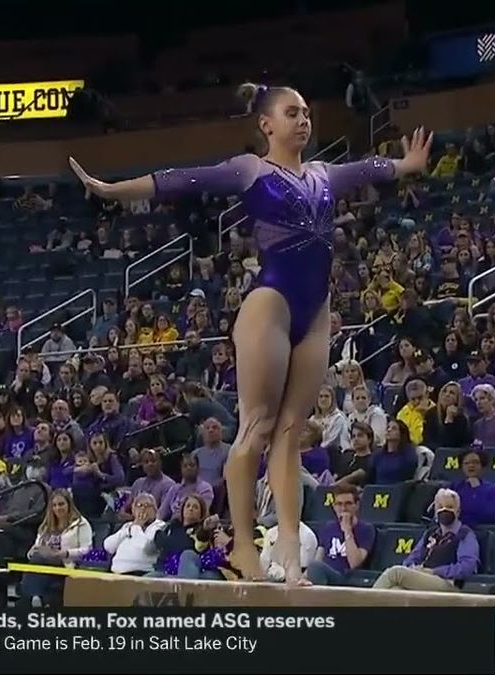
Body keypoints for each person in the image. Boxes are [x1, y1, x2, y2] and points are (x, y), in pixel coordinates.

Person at [70, 82, 432, 583]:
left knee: (290, 434)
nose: (303, 120)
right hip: (271, 304)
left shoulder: (325, 173)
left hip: (316, 309)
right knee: (257, 429)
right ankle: (243, 544)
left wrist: (408, 165)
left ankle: (287, 543)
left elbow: (372, 167)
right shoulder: (251, 170)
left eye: (307, 112)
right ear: (266, 124)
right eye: (291, 113)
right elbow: (182, 181)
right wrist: (112, 190)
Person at [372, 488, 478, 592]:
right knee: (395, 590)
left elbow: (466, 567)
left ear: (458, 511)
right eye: (440, 507)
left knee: (396, 573)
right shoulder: (430, 533)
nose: (445, 510)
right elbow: (412, 558)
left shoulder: (465, 534)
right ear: (435, 511)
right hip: (423, 577)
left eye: (450, 507)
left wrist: (434, 571)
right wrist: (413, 568)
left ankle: (362, 604)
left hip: (448, 582)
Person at [20, 489, 93, 607]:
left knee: (38, 559)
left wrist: (65, 553)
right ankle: (36, 596)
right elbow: (36, 547)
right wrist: (33, 551)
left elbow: (88, 550)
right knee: (38, 557)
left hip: (66, 564)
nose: (58, 508)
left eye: (61, 504)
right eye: (54, 505)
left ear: (69, 505)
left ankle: (33, 595)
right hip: (44, 563)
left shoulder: (81, 524)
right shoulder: (46, 525)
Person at [304, 484, 375, 586]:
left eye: (348, 504)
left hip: (348, 577)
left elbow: (354, 562)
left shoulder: (366, 529)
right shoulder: (328, 527)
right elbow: (318, 558)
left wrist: (347, 530)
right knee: (313, 567)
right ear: (333, 506)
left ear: (357, 505)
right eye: (339, 504)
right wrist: (303, 578)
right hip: (326, 574)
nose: (343, 508)